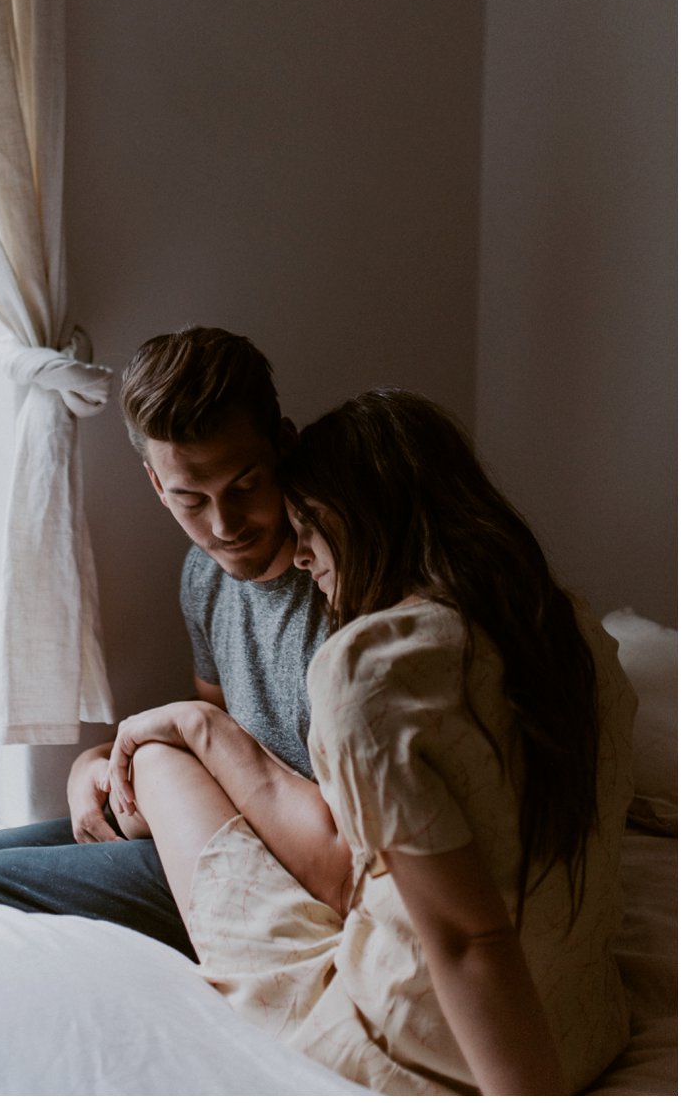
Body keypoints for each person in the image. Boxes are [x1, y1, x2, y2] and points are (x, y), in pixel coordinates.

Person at [103, 389, 636, 1095]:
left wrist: (190, 727)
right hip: (589, 1026)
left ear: (356, 521)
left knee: (159, 757)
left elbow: (468, 939)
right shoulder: (572, 632)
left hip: (425, 1045)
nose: (302, 561)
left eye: (311, 531)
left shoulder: (370, 668)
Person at [0, 327, 328, 956]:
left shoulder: (339, 589)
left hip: (272, 858)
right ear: (157, 485)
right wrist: (101, 765)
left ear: (284, 445)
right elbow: (212, 723)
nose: (224, 526)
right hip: (204, 816)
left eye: (244, 486)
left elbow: (345, 834)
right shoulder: (204, 576)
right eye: (192, 499)